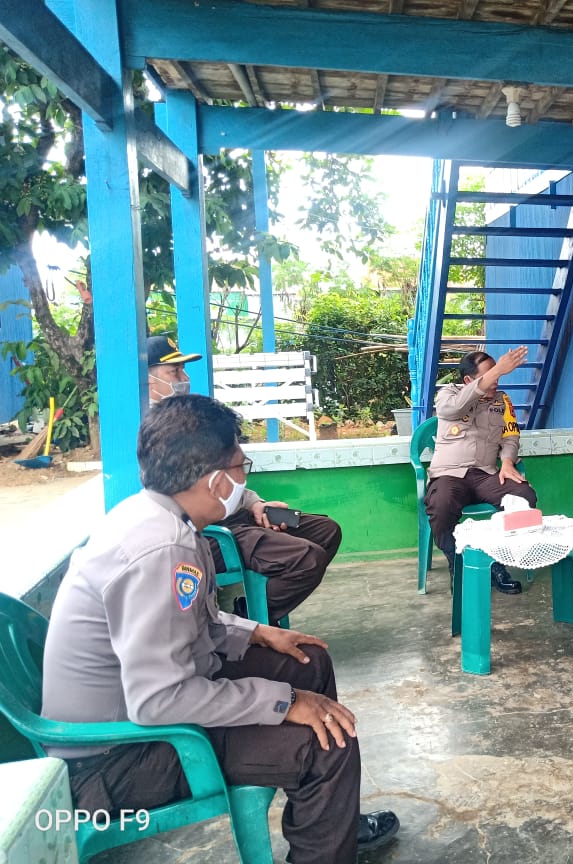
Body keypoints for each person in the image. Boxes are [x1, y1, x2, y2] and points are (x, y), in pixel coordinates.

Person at [40, 394, 399, 863]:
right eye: (239, 466)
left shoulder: (160, 517)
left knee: (308, 662)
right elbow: (159, 700)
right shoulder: (162, 549)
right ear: (214, 482)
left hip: (141, 718)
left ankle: (333, 825)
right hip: (117, 758)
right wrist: (284, 702)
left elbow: (190, 623)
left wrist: (257, 632)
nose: (243, 479)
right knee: (326, 744)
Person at [146, 335, 340, 624]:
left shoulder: (189, 418)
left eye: (183, 370)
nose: (184, 378)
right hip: (213, 529)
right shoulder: (151, 433)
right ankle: (246, 620)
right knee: (306, 558)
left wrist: (256, 504)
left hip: (238, 514)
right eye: (174, 372)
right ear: (148, 379)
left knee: (325, 530)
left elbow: (226, 474)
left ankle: (257, 609)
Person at [426, 347, 537, 594]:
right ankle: (458, 564)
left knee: (524, 497)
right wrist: (497, 370)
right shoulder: (448, 394)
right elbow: (454, 409)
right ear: (468, 379)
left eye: (499, 374)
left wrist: (507, 462)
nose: (497, 380)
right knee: (441, 506)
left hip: (486, 475)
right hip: (449, 475)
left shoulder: (502, 401)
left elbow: (511, 437)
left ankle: (497, 563)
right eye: (491, 375)